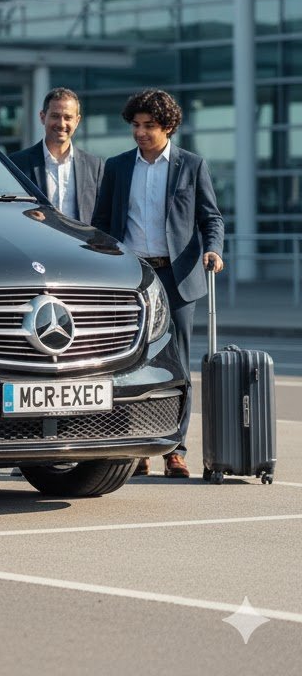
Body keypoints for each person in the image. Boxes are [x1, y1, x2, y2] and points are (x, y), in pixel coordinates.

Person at [90, 89, 224, 478]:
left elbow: (211, 218)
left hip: (177, 277)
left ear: (168, 127)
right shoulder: (117, 167)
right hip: (132, 278)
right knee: (126, 363)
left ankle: (175, 450)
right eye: (135, 125)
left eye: (149, 125)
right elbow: (101, 222)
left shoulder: (191, 166)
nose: (140, 132)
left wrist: (213, 249)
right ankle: (136, 447)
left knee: (176, 364)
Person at [10, 87, 103, 223]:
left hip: (81, 237)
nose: (61, 124)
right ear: (42, 117)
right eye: (55, 116)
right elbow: (9, 211)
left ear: (77, 121)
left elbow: (103, 216)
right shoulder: (17, 163)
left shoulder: (95, 166)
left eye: (68, 117)